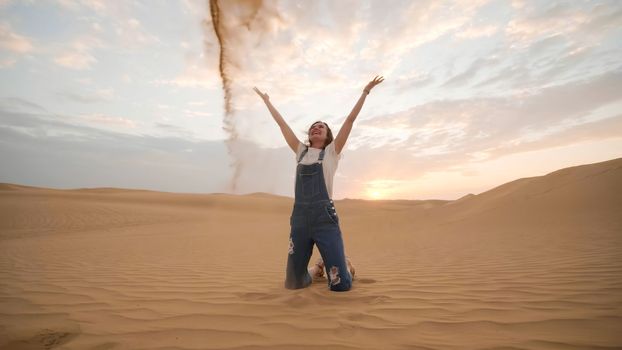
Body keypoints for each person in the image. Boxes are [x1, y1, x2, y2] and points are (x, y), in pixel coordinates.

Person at [253, 76, 384, 291]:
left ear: (327, 134)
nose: (316, 128)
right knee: (293, 284)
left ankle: (346, 266)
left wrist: (365, 92)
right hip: (300, 218)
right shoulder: (300, 151)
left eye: (321, 126)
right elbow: (281, 124)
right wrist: (267, 101)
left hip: (324, 218)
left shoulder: (332, 153)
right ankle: (317, 269)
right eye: (313, 126)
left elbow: (350, 120)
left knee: (340, 285)